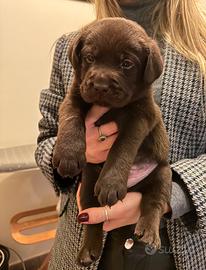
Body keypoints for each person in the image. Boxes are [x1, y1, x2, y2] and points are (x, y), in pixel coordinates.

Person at [35, 0, 206, 269]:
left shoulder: (201, 46)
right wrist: (76, 149)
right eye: (91, 60)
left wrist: (174, 196)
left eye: (126, 64)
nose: (102, 80)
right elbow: (47, 137)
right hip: (84, 239)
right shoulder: (70, 44)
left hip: (174, 249)